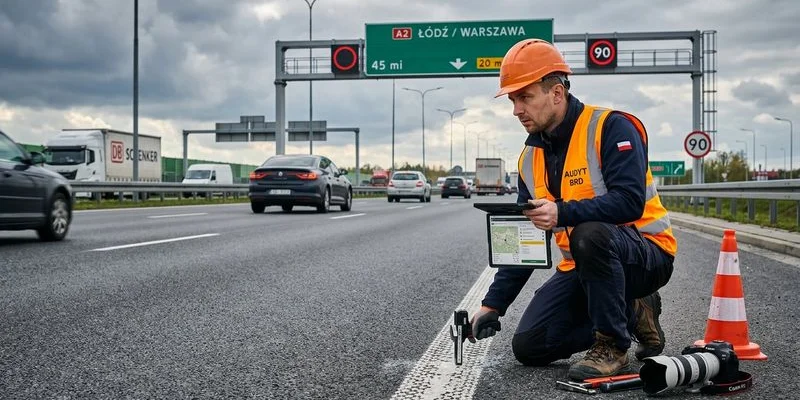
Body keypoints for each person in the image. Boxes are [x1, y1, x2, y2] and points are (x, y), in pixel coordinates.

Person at [469, 39, 677, 381]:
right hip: (584, 265)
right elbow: (525, 242)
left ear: (556, 93)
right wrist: (493, 306)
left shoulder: (611, 127)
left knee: (589, 232)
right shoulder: (529, 160)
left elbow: (629, 200)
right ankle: (632, 310)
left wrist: (561, 213)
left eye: (525, 97)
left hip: (646, 256)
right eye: (513, 100)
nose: (516, 110)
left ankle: (612, 346)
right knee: (530, 347)